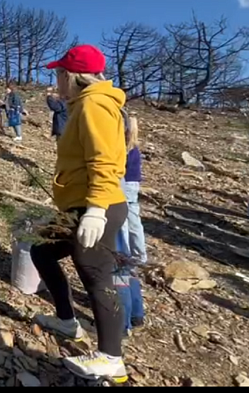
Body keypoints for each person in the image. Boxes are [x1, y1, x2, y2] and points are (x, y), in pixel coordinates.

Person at [29, 44, 129, 383]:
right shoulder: (82, 105)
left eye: (59, 73)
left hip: (96, 205)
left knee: (95, 274)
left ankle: (111, 358)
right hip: (77, 206)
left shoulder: (95, 105)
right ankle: (67, 320)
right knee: (41, 251)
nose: (56, 80)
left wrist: (96, 210)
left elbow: (105, 161)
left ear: (73, 75)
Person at [115, 115, 146, 335]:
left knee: (119, 264)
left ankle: (120, 323)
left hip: (116, 203)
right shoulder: (133, 147)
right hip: (129, 198)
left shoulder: (121, 149)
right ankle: (136, 314)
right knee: (128, 264)